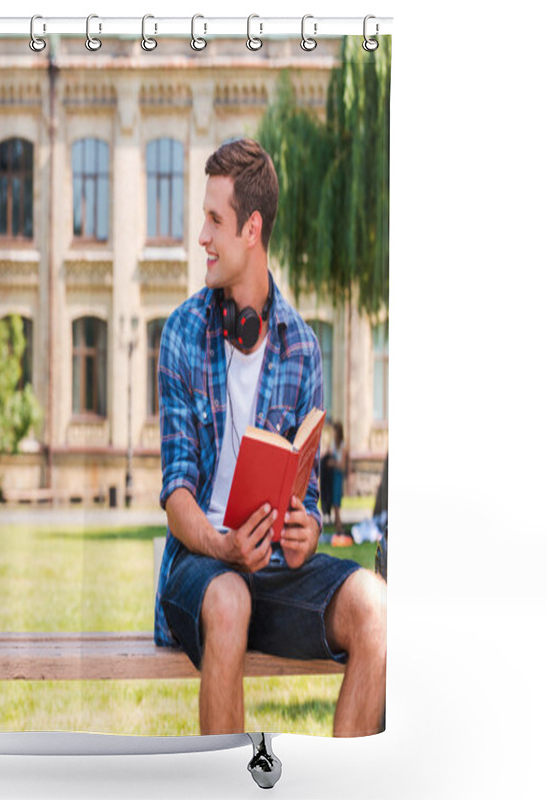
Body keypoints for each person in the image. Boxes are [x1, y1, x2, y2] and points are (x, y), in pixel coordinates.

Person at [154, 138, 385, 737]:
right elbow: (177, 495)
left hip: (278, 573)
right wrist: (225, 547)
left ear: (251, 229)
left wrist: (304, 530)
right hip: (202, 569)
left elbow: (301, 498)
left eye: (214, 220)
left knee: (377, 609)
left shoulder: (302, 347)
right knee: (230, 600)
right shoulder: (181, 332)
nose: (201, 236)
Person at [329, 421, 352, 545]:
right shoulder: (334, 444)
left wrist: (332, 463)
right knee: (334, 503)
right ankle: (337, 526)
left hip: (338, 475)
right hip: (333, 474)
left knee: (337, 502)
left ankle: (339, 527)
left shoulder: (342, 445)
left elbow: (342, 464)